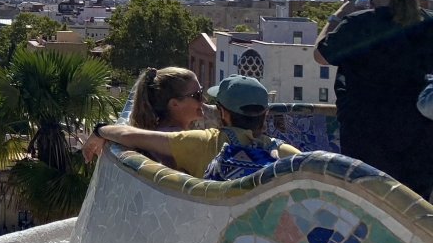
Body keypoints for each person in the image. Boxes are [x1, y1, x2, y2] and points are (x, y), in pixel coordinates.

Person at [316, 0, 433, 198]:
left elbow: (320, 55)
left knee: (365, 207)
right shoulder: (426, 25)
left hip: (365, 135)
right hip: (417, 139)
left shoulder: (359, 25)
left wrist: (339, 15)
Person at [85, 75, 300, 179]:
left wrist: (100, 130)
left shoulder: (202, 143)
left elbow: (130, 135)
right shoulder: (286, 154)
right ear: (266, 113)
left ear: (223, 112)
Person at [82, 67, 206, 167]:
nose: (204, 100)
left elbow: (127, 134)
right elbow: (127, 135)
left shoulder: (153, 132)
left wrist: (100, 130)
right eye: (198, 95)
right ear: (174, 104)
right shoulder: (175, 137)